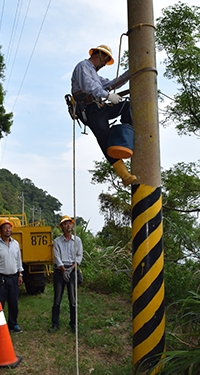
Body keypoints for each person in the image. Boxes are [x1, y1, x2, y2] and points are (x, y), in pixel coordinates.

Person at [71, 44, 137, 185]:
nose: (105, 64)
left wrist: (131, 73)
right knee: (105, 139)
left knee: (126, 105)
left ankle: (126, 140)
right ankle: (124, 176)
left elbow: (112, 84)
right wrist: (107, 96)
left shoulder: (94, 73)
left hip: (100, 108)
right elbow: (89, 86)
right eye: (105, 60)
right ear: (99, 55)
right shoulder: (83, 67)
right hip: (89, 111)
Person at [0, 219, 24, 332]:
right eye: (5, 228)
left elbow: (18, 260)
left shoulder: (16, 244)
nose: (8, 230)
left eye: (9, 228)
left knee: (13, 302)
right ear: (0, 230)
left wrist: (20, 274)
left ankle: (13, 324)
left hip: (13, 277)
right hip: (0, 278)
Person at [50, 215, 83, 333]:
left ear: (72, 225)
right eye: (65, 223)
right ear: (62, 226)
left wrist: (71, 269)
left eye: (70, 223)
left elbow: (79, 257)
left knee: (73, 299)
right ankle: (55, 324)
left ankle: (73, 324)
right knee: (57, 299)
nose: (68, 225)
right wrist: (64, 270)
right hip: (60, 271)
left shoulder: (77, 240)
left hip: (72, 270)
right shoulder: (57, 241)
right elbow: (57, 257)